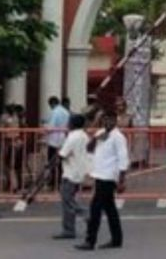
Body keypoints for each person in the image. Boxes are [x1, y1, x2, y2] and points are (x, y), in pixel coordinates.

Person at [77, 112, 128, 251]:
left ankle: (90, 241)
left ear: (115, 120)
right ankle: (117, 239)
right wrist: (96, 138)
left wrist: (122, 180)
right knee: (110, 209)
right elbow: (89, 148)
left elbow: (123, 159)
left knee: (95, 208)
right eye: (105, 119)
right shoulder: (101, 133)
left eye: (110, 119)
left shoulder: (118, 137)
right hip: (99, 175)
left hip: (108, 176)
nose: (107, 122)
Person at [55, 112, 89, 240]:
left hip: (70, 172)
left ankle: (87, 214)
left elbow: (63, 154)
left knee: (68, 201)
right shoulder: (84, 135)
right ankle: (68, 229)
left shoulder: (72, 137)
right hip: (78, 170)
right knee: (68, 201)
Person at [46, 96, 71, 183]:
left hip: (54, 140)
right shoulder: (66, 112)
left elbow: (51, 126)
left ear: (52, 104)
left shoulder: (55, 112)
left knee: (51, 161)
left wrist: (46, 130)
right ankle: (61, 179)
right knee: (62, 161)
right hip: (63, 139)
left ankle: (54, 180)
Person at [0, 105, 21, 193]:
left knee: (9, 165)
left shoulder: (5, 117)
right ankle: (13, 183)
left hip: (9, 142)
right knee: (12, 165)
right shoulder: (15, 117)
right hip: (15, 142)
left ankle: (13, 185)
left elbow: (1, 129)